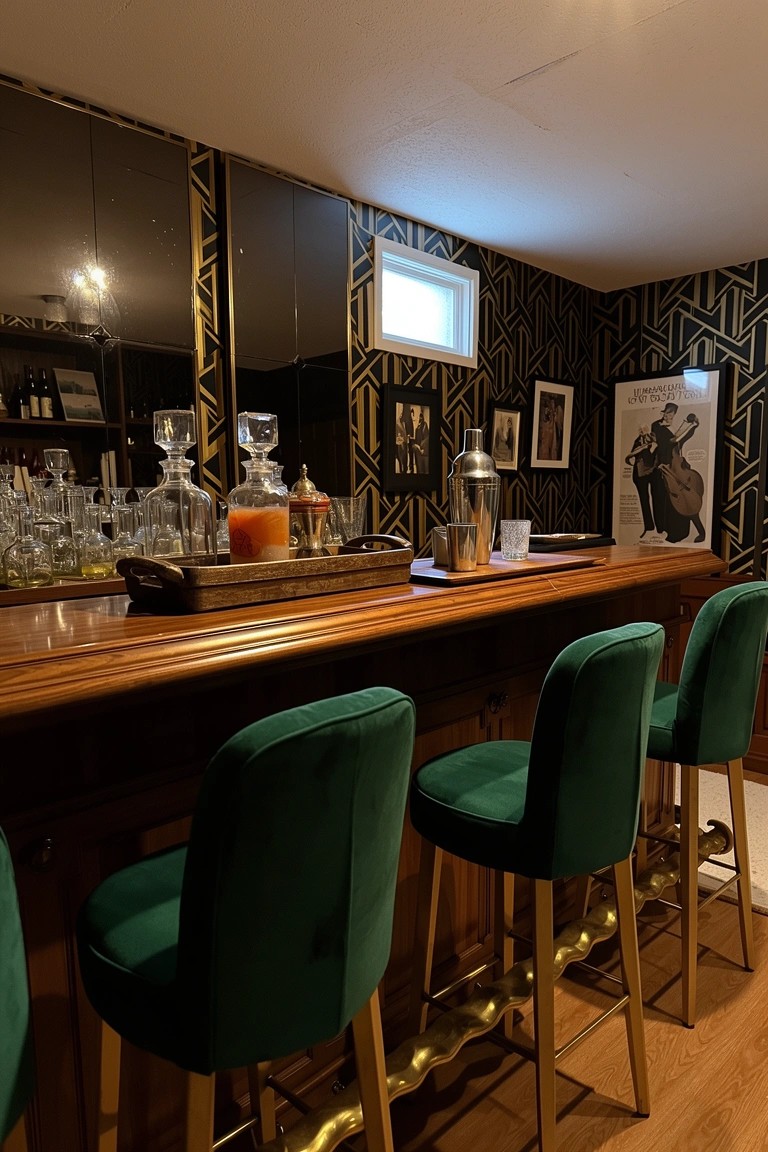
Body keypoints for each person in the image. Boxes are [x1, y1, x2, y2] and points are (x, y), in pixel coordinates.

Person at [625, 424, 657, 536]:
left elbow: (656, 449)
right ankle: (649, 527)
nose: (641, 431)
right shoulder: (637, 441)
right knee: (644, 499)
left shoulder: (653, 438)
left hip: (652, 471)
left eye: (643, 429)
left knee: (656, 497)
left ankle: (660, 528)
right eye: (640, 429)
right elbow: (631, 455)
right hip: (639, 474)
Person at [414, 408, 430, 473]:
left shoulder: (424, 425)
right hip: (418, 451)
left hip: (424, 451)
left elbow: (427, 437)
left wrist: (423, 448)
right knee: (419, 469)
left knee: (425, 470)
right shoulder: (417, 426)